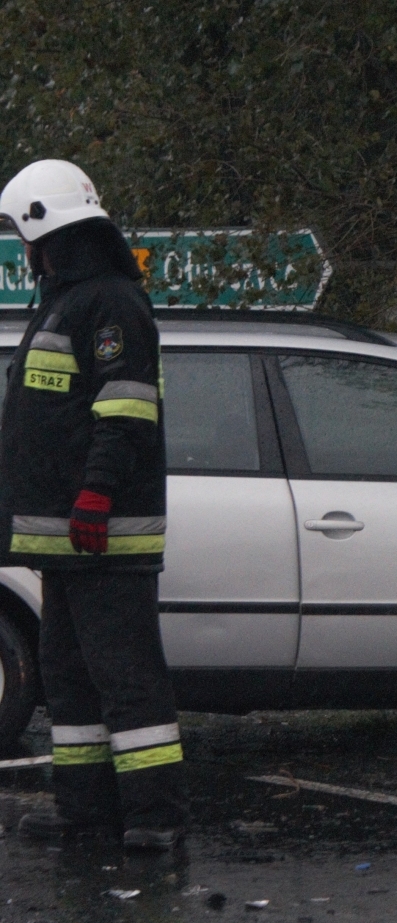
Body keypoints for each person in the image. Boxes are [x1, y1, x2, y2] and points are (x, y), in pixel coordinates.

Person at [0, 159, 186, 850]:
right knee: (69, 680)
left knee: (127, 680)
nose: (25, 251)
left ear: (45, 230)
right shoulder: (64, 303)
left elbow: (126, 411)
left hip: (105, 534)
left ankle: (155, 817)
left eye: (23, 236)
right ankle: (84, 811)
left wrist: (96, 495)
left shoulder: (111, 304)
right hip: (67, 540)